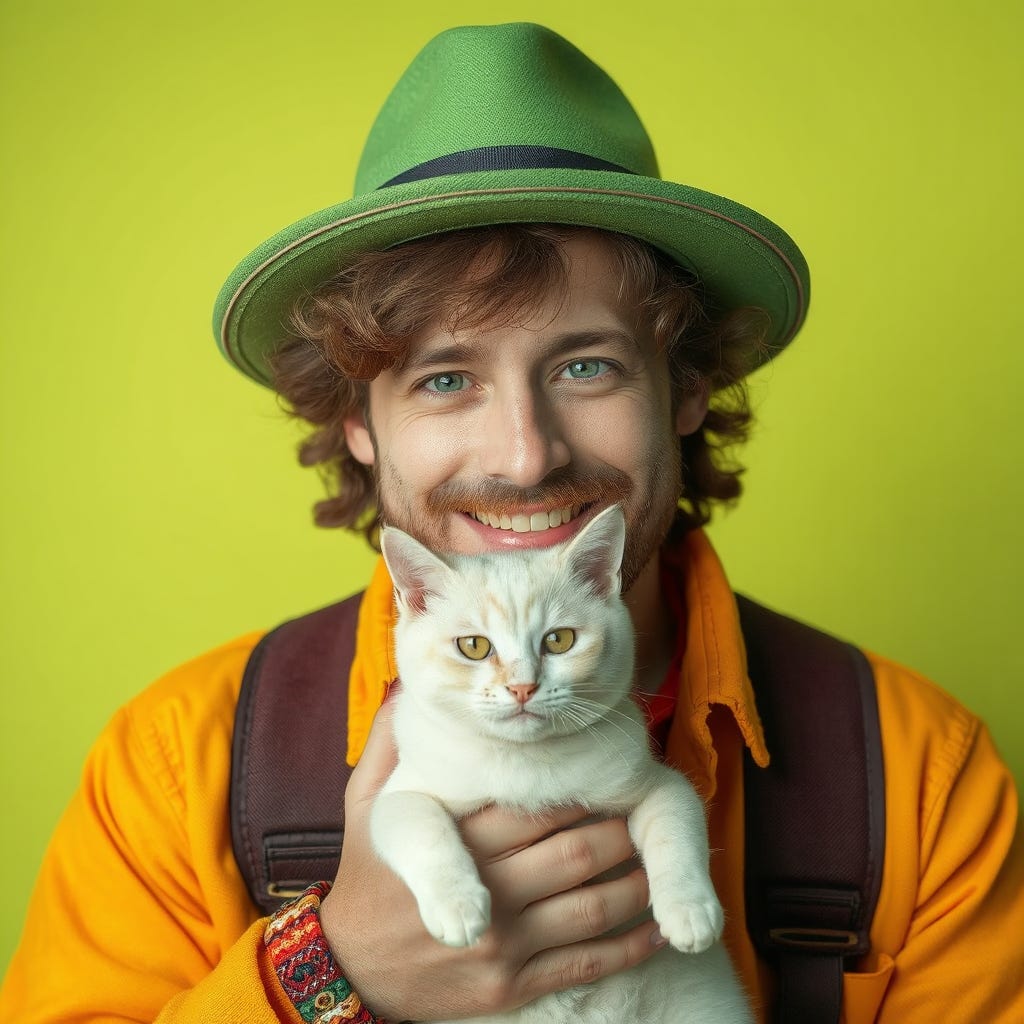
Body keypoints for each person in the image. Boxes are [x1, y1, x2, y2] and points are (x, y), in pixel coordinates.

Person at [2, 21, 1022, 1024]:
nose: (526, 456)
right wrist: (329, 973)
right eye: (446, 378)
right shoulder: (175, 766)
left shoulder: (918, 778)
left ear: (688, 386)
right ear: (358, 422)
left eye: (586, 366)